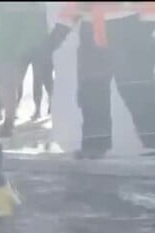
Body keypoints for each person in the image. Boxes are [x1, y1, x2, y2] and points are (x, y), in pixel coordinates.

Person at [46, 2, 155, 159]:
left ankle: (153, 140)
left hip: (128, 27)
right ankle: (94, 146)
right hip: (92, 28)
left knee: (137, 89)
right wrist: (59, 32)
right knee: (92, 90)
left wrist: (146, 25)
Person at [0, 3, 48, 137]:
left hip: (6, 54)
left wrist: (20, 49)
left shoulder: (17, 8)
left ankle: (8, 123)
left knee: (7, 91)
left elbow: (28, 28)